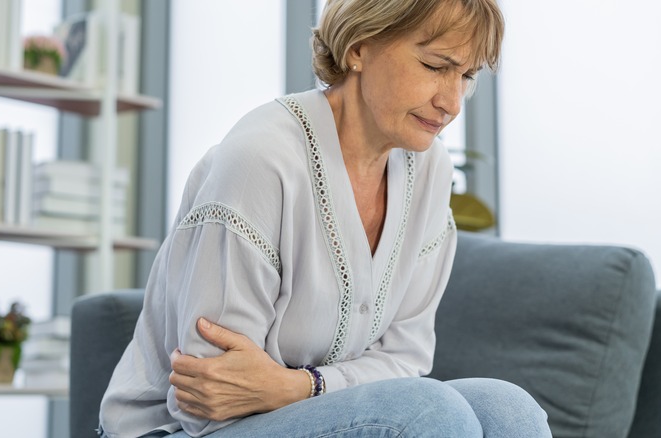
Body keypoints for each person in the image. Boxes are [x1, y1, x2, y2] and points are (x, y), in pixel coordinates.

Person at [99, 0, 551, 436]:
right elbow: (210, 399)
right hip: (182, 430)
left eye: (466, 76)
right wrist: (321, 389)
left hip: (296, 413)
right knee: (429, 412)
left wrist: (297, 386)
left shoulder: (430, 170)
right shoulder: (263, 159)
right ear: (359, 48)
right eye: (435, 66)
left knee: (507, 409)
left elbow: (406, 358)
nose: (451, 103)